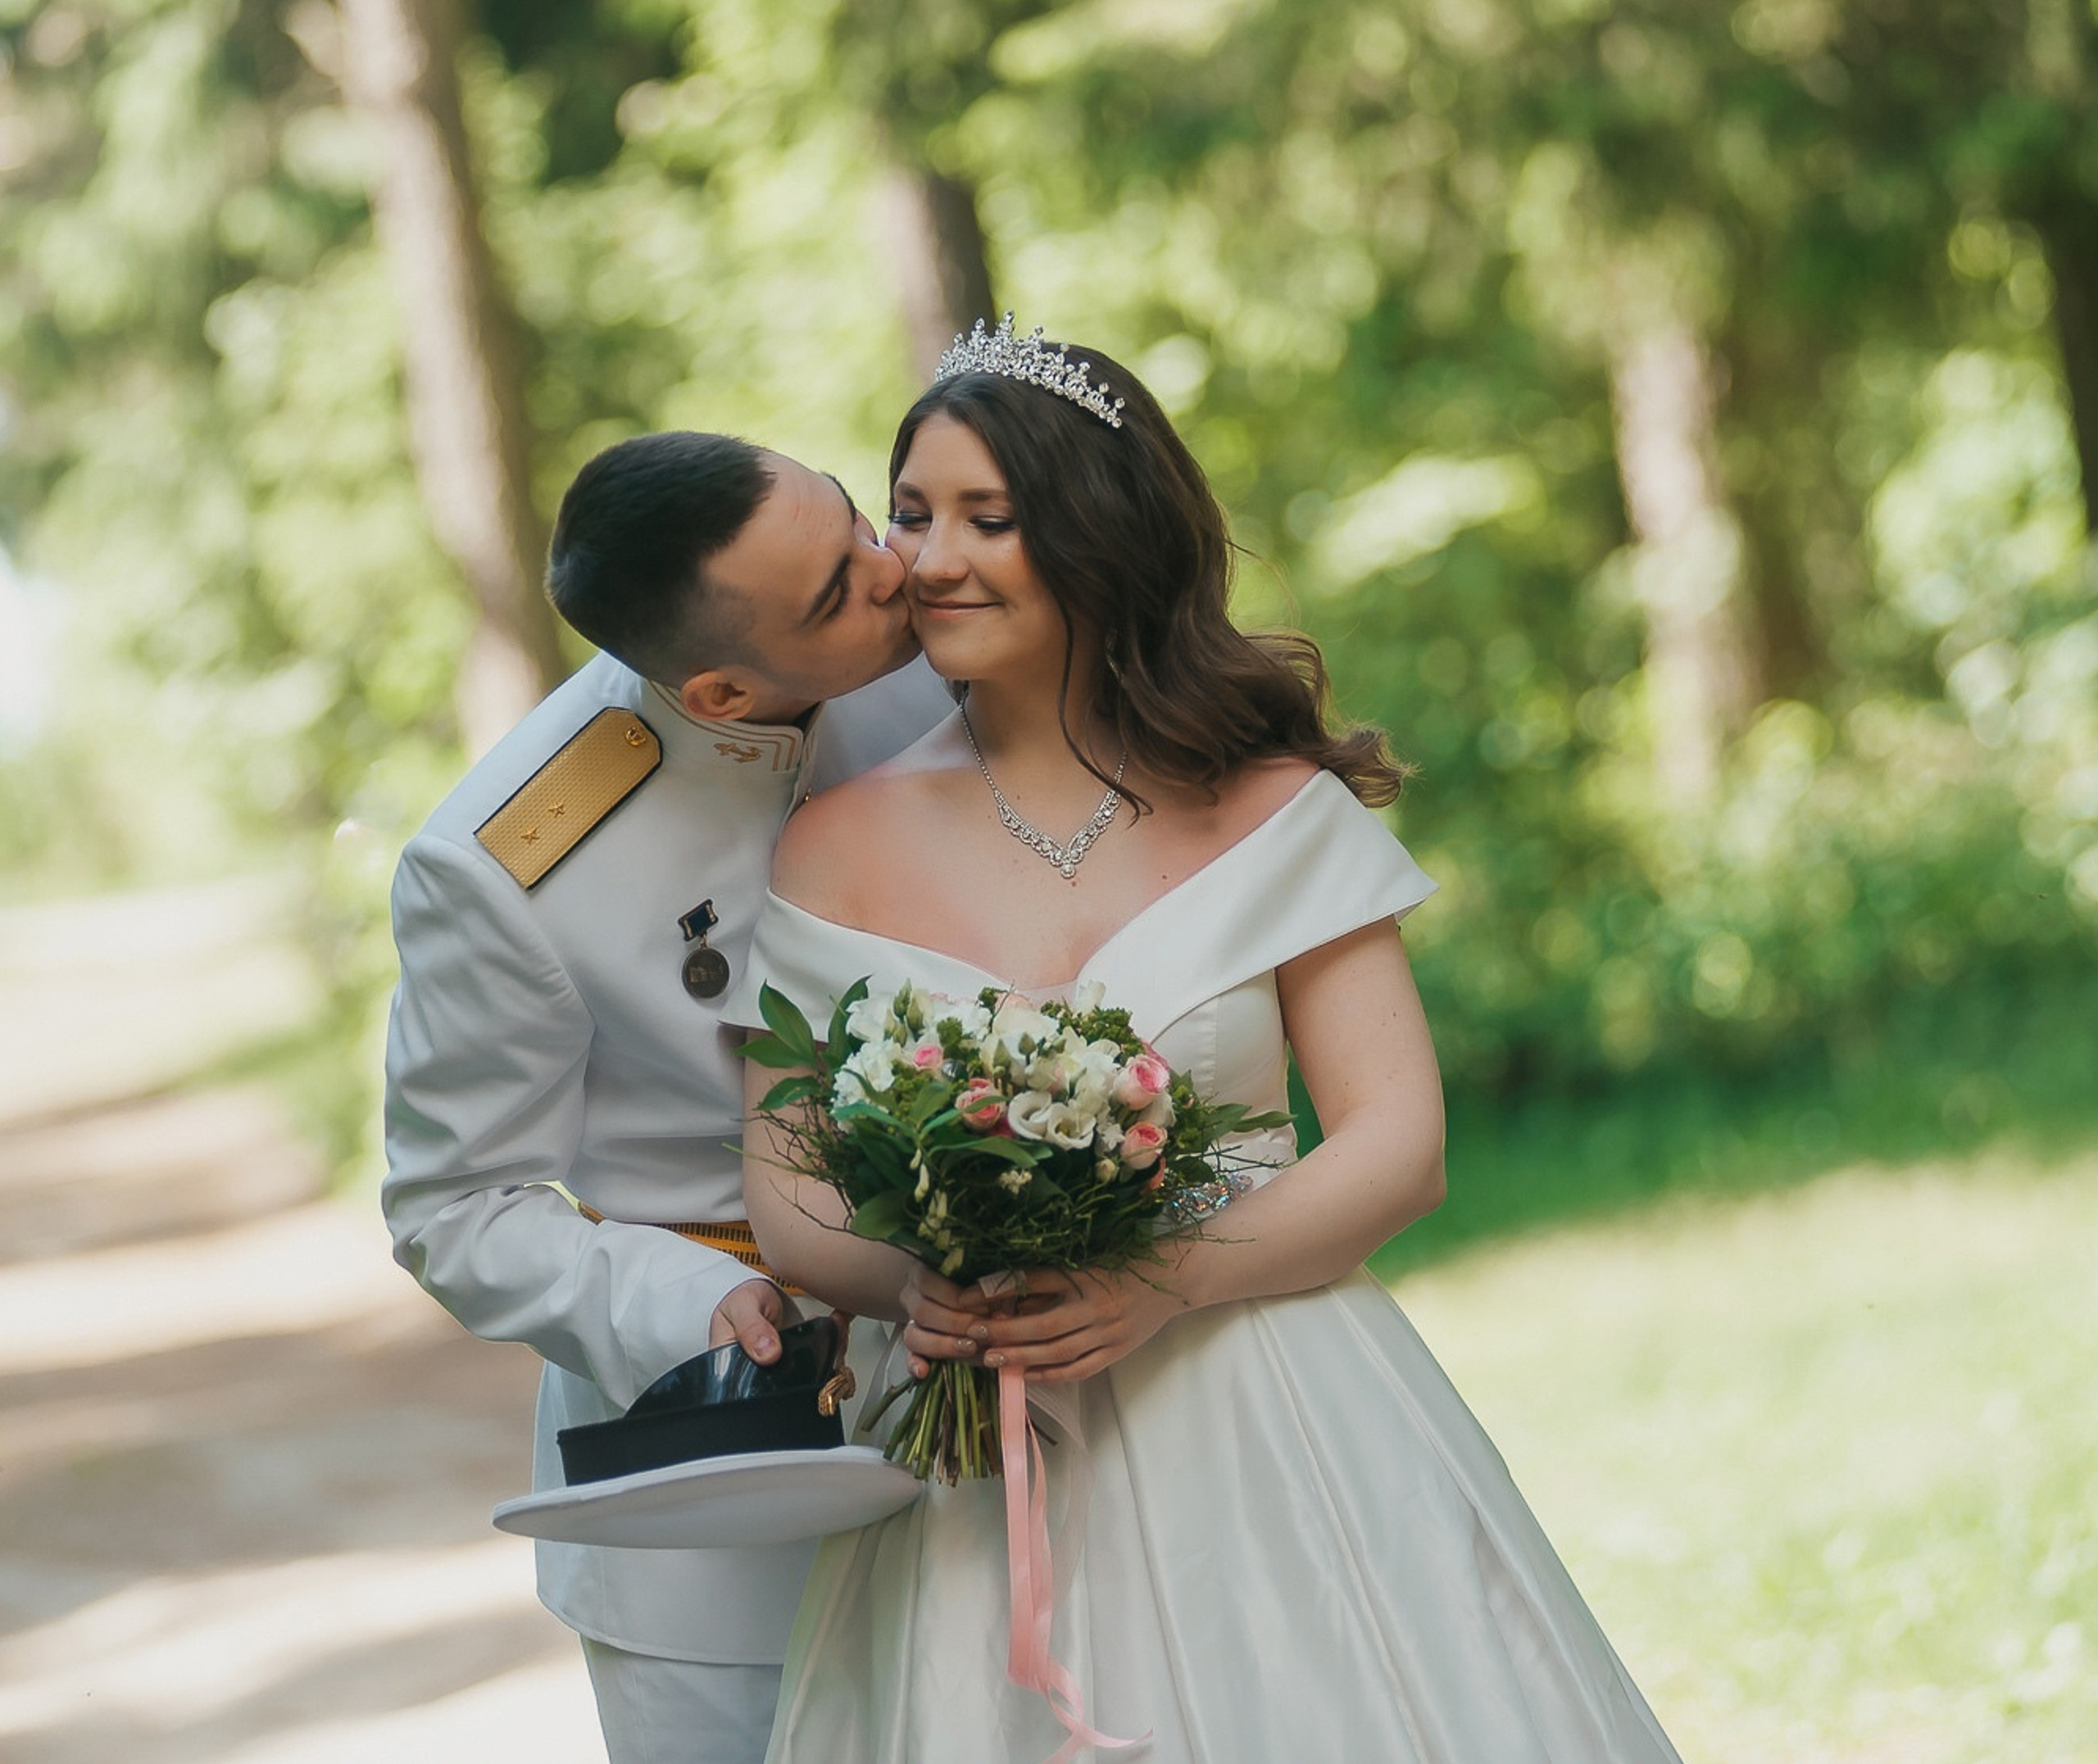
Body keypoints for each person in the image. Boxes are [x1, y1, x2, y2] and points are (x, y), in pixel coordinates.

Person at [727, 324, 1684, 1762]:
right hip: (984, 1462)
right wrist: (920, 1283)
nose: (931, 559)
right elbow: (789, 1184)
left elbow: (1398, 1143)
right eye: (911, 513)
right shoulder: (832, 843)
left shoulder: (1271, 805)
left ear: (1096, 533)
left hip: (1275, 1410)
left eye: (990, 518)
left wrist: (1161, 1282)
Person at [380, 430, 951, 1764]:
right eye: (838, 591)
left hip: (1001, 1422)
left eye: (855, 520)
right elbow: (453, 1207)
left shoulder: (948, 666)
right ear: (721, 689)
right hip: (721, 1478)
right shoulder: (504, 867)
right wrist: (687, 1303)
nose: (893, 570)